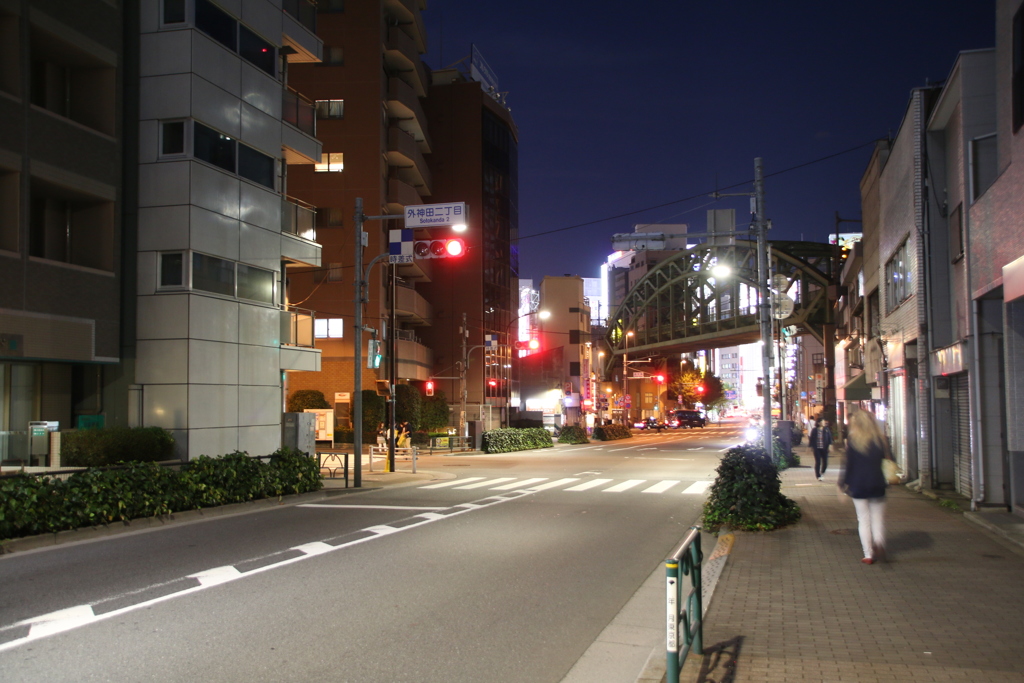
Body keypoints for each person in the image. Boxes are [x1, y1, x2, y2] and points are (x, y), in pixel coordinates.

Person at [838, 409, 891, 565]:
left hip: (858, 485)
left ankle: (868, 554)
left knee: (863, 520)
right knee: (878, 519)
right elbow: (888, 461)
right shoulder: (880, 440)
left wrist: (842, 484)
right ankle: (879, 544)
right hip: (877, 483)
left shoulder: (853, 441)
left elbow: (849, 465)